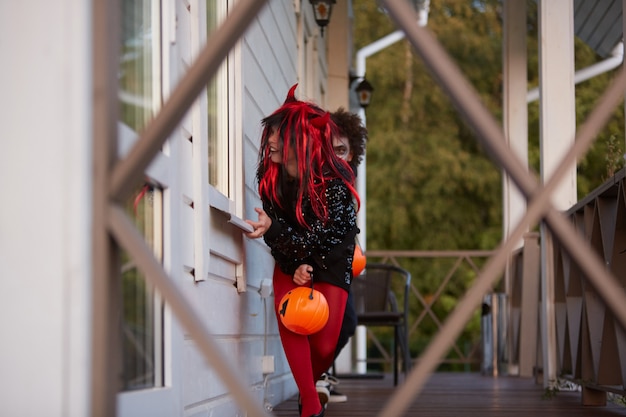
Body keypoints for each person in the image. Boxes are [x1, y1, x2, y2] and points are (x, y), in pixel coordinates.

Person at [245, 85, 360, 417]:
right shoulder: (270, 178)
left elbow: (327, 235)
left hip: (332, 258)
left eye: (277, 135)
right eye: (269, 134)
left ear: (300, 138)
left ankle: (308, 387)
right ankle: (310, 403)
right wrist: (292, 262)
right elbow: (273, 232)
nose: (269, 142)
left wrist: (302, 257)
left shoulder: (336, 180)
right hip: (290, 257)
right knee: (294, 320)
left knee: (324, 346)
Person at [315, 108, 368, 404]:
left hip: (341, 263)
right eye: (330, 147)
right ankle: (315, 378)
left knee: (343, 323)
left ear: (351, 153)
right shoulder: (319, 177)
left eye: (341, 148)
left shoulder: (348, 177)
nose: (335, 153)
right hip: (318, 263)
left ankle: (319, 376)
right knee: (340, 322)